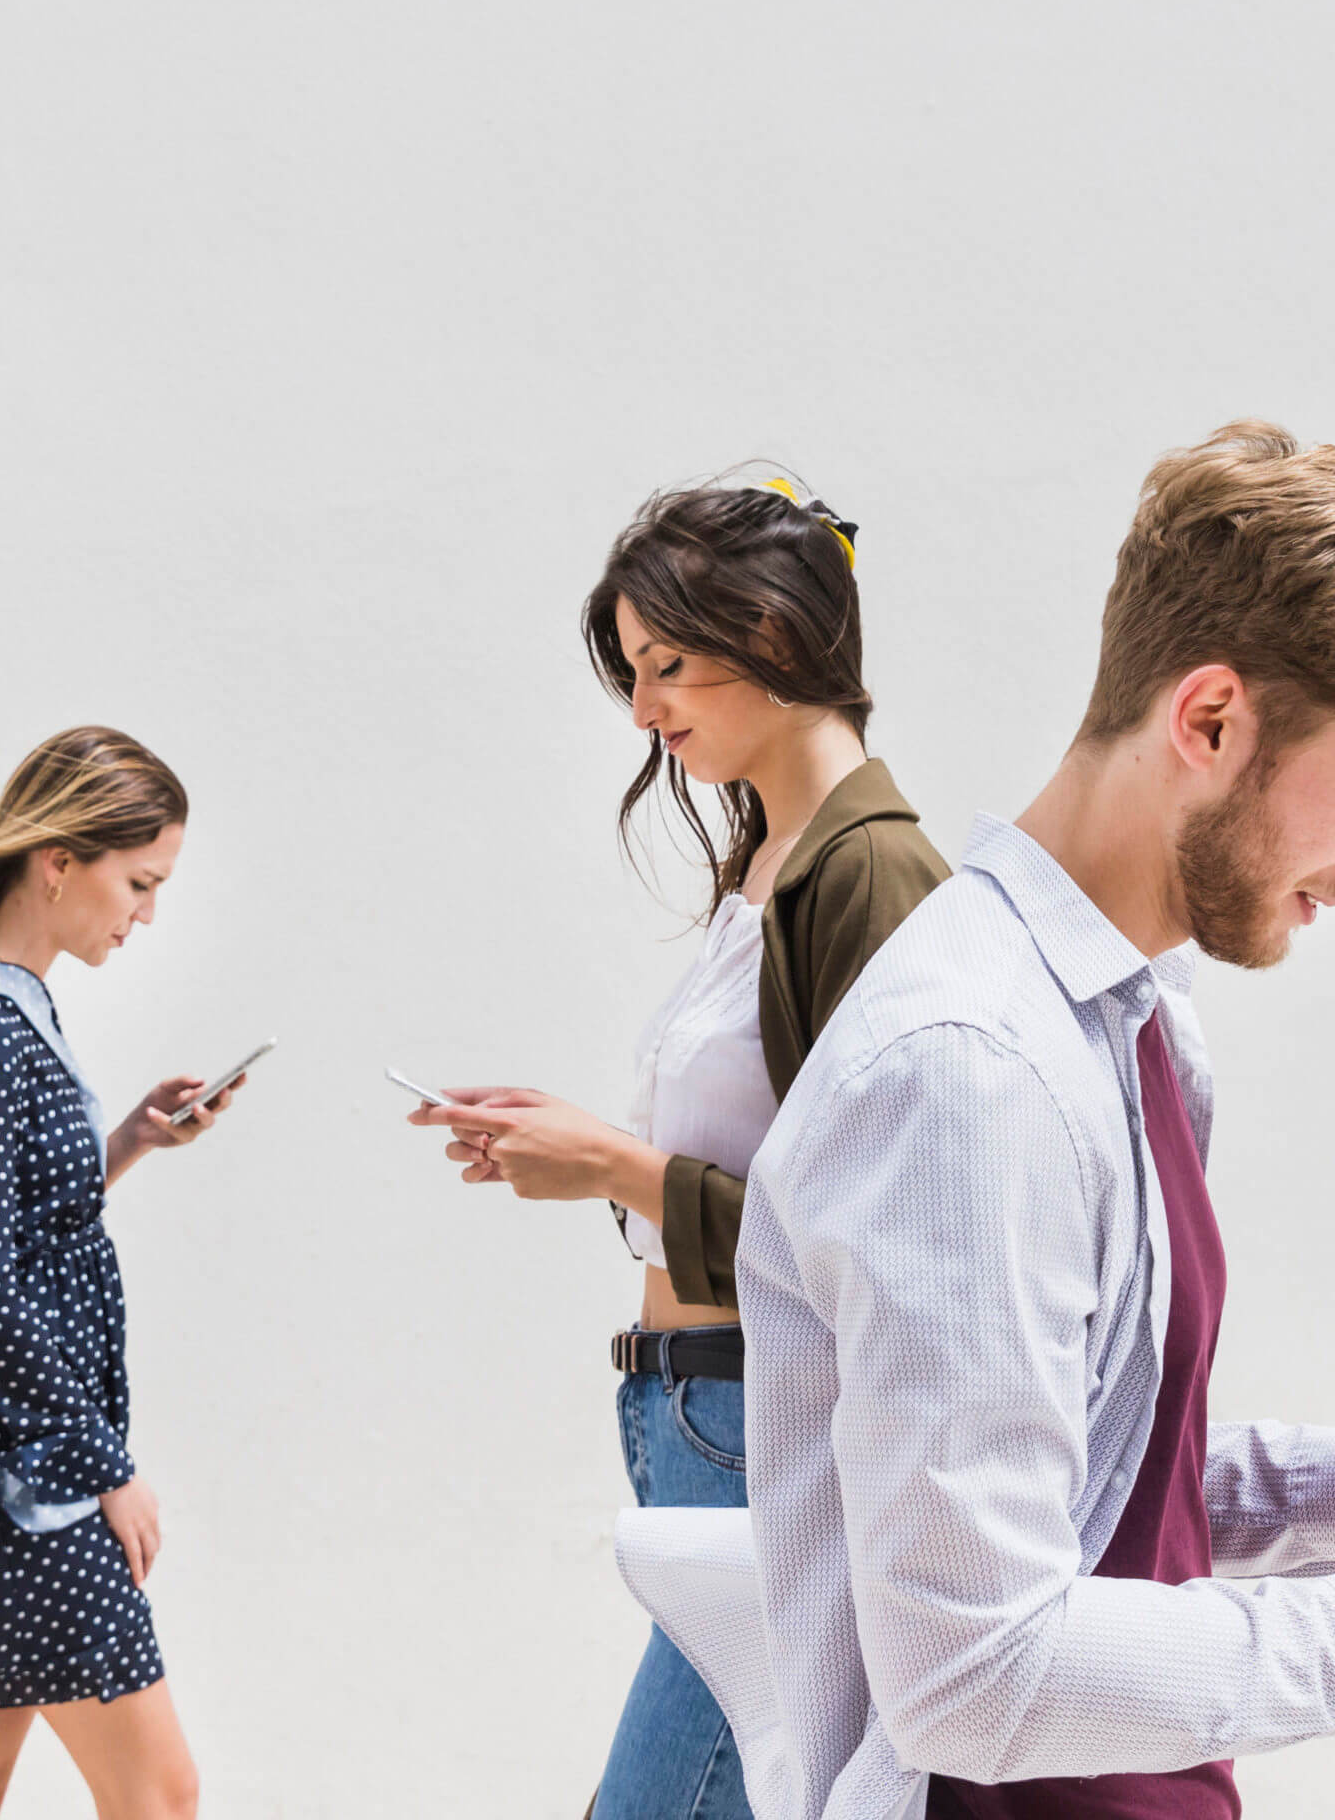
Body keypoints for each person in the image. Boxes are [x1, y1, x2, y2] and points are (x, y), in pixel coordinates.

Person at [617, 424, 1335, 1820]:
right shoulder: (964, 1067)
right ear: (1208, 719)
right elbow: (968, 1667)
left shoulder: (1125, 1022)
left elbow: (1058, 1483)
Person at [407, 476, 950, 1820]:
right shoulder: (773, 856)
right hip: (692, 1413)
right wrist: (586, 1149)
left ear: (769, 634)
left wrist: (610, 1166)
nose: (644, 712)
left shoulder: (869, 876)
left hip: (761, 1422)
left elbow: (889, 1229)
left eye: (665, 666)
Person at [0, 725, 250, 1820]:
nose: (146, 912)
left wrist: (121, 1142)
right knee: (159, 1791)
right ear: (57, 859)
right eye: (138, 880)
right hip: (14, 1476)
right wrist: (100, 1465)